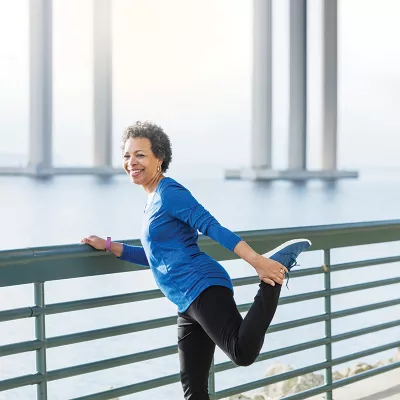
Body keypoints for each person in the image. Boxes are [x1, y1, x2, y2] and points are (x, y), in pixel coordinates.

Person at [81, 121, 311, 400]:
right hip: (185, 302)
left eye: (140, 155)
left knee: (242, 352)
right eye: (127, 155)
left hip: (202, 287)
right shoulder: (152, 199)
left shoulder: (170, 193)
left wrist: (256, 261)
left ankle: (273, 277)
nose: (132, 162)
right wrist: (109, 245)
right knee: (194, 389)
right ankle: (272, 272)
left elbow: (211, 226)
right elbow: (158, 258)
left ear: (159, 159)